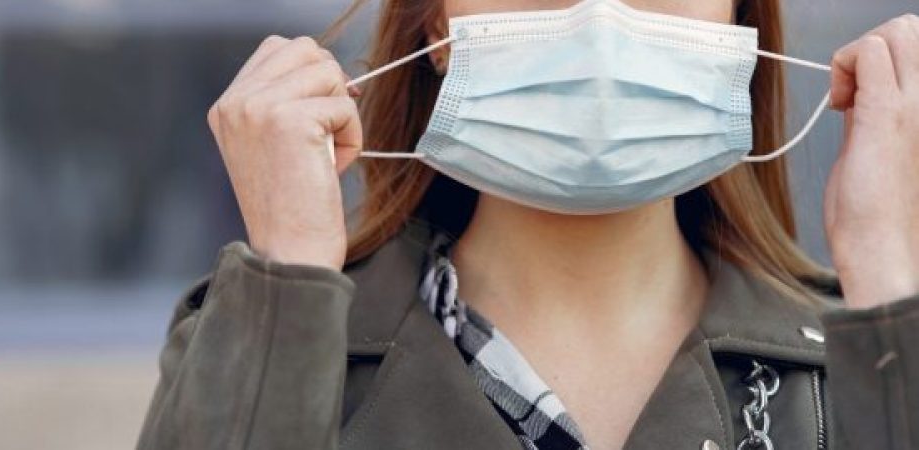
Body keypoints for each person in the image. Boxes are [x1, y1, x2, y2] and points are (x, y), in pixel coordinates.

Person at [138, 0, 919, 448]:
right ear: (435, 26)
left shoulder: (849, 360)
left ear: (741, 21)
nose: (600, 20)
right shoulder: (271, 340)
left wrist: (889, 276)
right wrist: (291, 277)